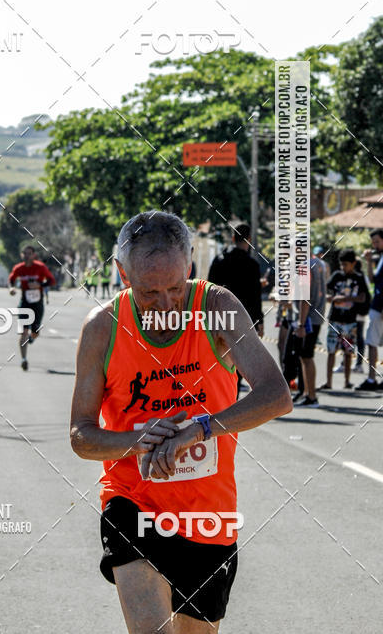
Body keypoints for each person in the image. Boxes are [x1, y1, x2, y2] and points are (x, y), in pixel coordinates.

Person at [70, 212, 291, 634]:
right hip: (133, 504)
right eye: (150, 292)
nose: (167, 304)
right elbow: (81, 436)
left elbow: (276, 395)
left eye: (176, 287)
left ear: (190, 265)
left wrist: (201, 428)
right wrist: (137, 441)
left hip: (209, 517)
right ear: (122, 274)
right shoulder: (102, 328)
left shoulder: (217, 308)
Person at [208, 222, 264, 395]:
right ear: (249, 240)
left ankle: (218, 398)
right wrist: (259, 321)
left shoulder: (219, 260)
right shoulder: (252, 265)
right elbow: (255, 297)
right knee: (239, 361)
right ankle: (232, 400)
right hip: (243, 319)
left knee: (218, 359)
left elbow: (209, 289)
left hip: (219, 318)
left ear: (233, 238)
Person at [319, 249, 368, 393]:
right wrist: (330, 298)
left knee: (348, 352)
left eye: (346, 264)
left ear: (353, 264)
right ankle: (328, 382)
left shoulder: (359, 278)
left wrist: (345, 299)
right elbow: (326, 290)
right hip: (335, 319)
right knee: (331, 350)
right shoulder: (337, 276)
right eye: (341, 265)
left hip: (350, 320)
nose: (343, 268)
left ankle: (347, 381)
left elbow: (362, 297)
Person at [9, 246, 56, 371]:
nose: (26, 256)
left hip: (37, 303)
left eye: (29, 254)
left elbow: (52, 281)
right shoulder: (18, 268)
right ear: (21, 255)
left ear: (34, 255)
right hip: (24, 303)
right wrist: (12, 288)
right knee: (23, 331)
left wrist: (39, 284)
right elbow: (12, 279)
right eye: (24, 253)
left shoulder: (40, 267)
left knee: (36, 332)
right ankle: (24, 359)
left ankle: (31, 338)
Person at [291, 249, 328, 406]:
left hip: (309, 319)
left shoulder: (305, 266)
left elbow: (305, 298)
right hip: (317, 315)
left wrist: (300, 324)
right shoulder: (319, 263)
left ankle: (311, 395)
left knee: (306, 357)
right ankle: (307, 393)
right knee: (305, 357)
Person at [357, 229, 383, 391]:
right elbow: (373, 279)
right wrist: (368, 261)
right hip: (377, 305)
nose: (374, 245)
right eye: (373, 242)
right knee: (371, 342)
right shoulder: (380, 257)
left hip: (380, 306)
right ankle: (372, 378)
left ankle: (372, 379)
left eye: (377, 242)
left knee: (372, 342)